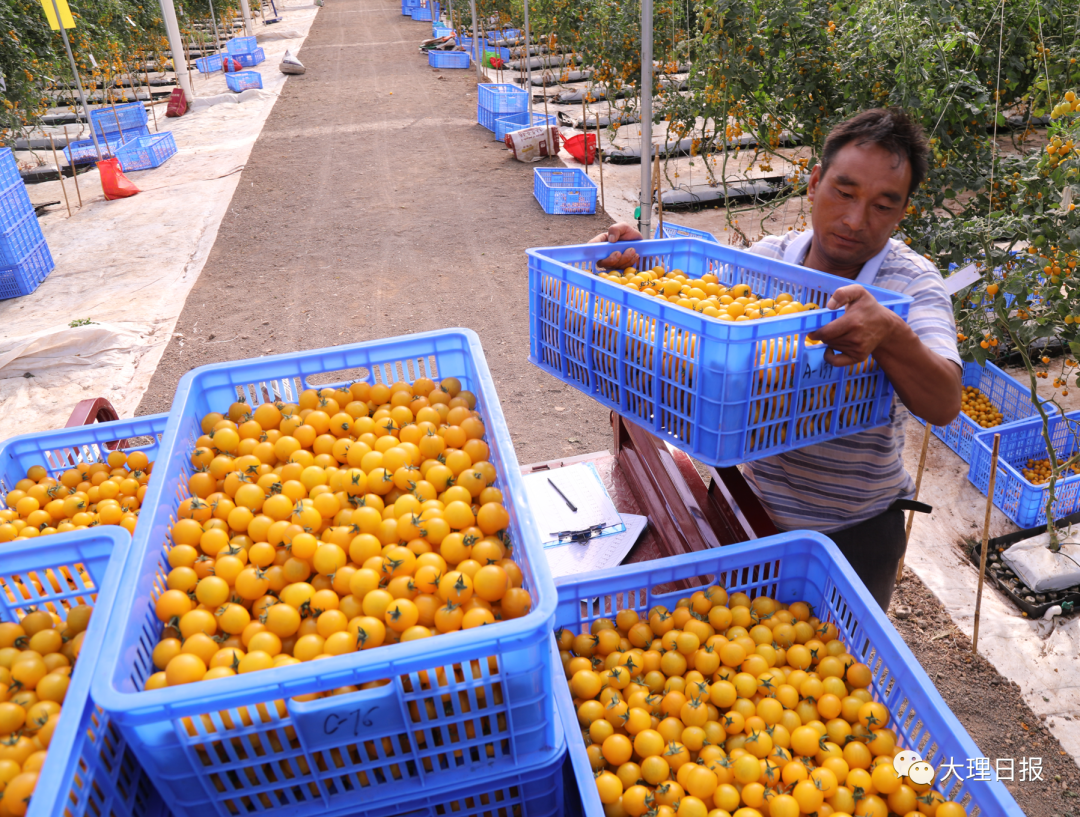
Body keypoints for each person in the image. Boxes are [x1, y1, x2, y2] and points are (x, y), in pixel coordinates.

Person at [588, 108, 962, 611]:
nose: (855, 220)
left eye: (882, 205)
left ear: (902, 213)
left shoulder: (911, 285)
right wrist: (646, 267)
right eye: (844, 193)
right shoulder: (769, 259)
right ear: (813, 183)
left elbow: (943, 402)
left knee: (830, 669)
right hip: (746, 501)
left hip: (850, 531)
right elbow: (698, 317)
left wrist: (892, 333)